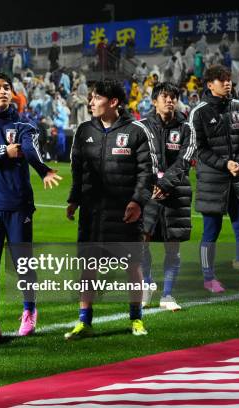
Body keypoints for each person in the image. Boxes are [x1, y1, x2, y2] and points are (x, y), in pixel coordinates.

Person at [0, 72, 62, 342]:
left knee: (23, 265)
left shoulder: (24, 125)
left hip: (18, 207)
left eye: (6, 88)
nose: (2, 92)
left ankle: (29, 311)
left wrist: (42, 170)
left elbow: (30, 149)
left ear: (12, 93)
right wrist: (2, 152)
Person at [65, 79, 155, 340]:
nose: (90, 102)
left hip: (124, 212)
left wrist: (137, 201)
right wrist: (74, 199)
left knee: (132, 266)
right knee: (88, 266)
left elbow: (145, 172)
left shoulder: (136, 131)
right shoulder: (83, 131)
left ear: (113, 102)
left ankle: (136, 319)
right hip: (92, 212)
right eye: (90, 97)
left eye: (96, 97)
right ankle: (84, 321)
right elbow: (78, 170)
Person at [190, 65, 239, 294]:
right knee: (211, 231)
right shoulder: (199, 112)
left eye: (228, 79)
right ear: (210, 84)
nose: (227, 83)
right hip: (212, 182)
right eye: (221, 80)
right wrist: (223, 164)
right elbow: (199, 149)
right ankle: (209, 279)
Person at [140, 82, 195, 311]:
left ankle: (168, 295)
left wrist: (164, 184)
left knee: (172, 246)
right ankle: (147, 284)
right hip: (149, 192)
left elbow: (185, 160)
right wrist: (152, 184)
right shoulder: (141, 127)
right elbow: (138, 160)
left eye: (173, 97)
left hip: (176, 193)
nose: (170, 100)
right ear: (154, 101)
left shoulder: (186, 128)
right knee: (142, 240)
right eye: (165, 97)